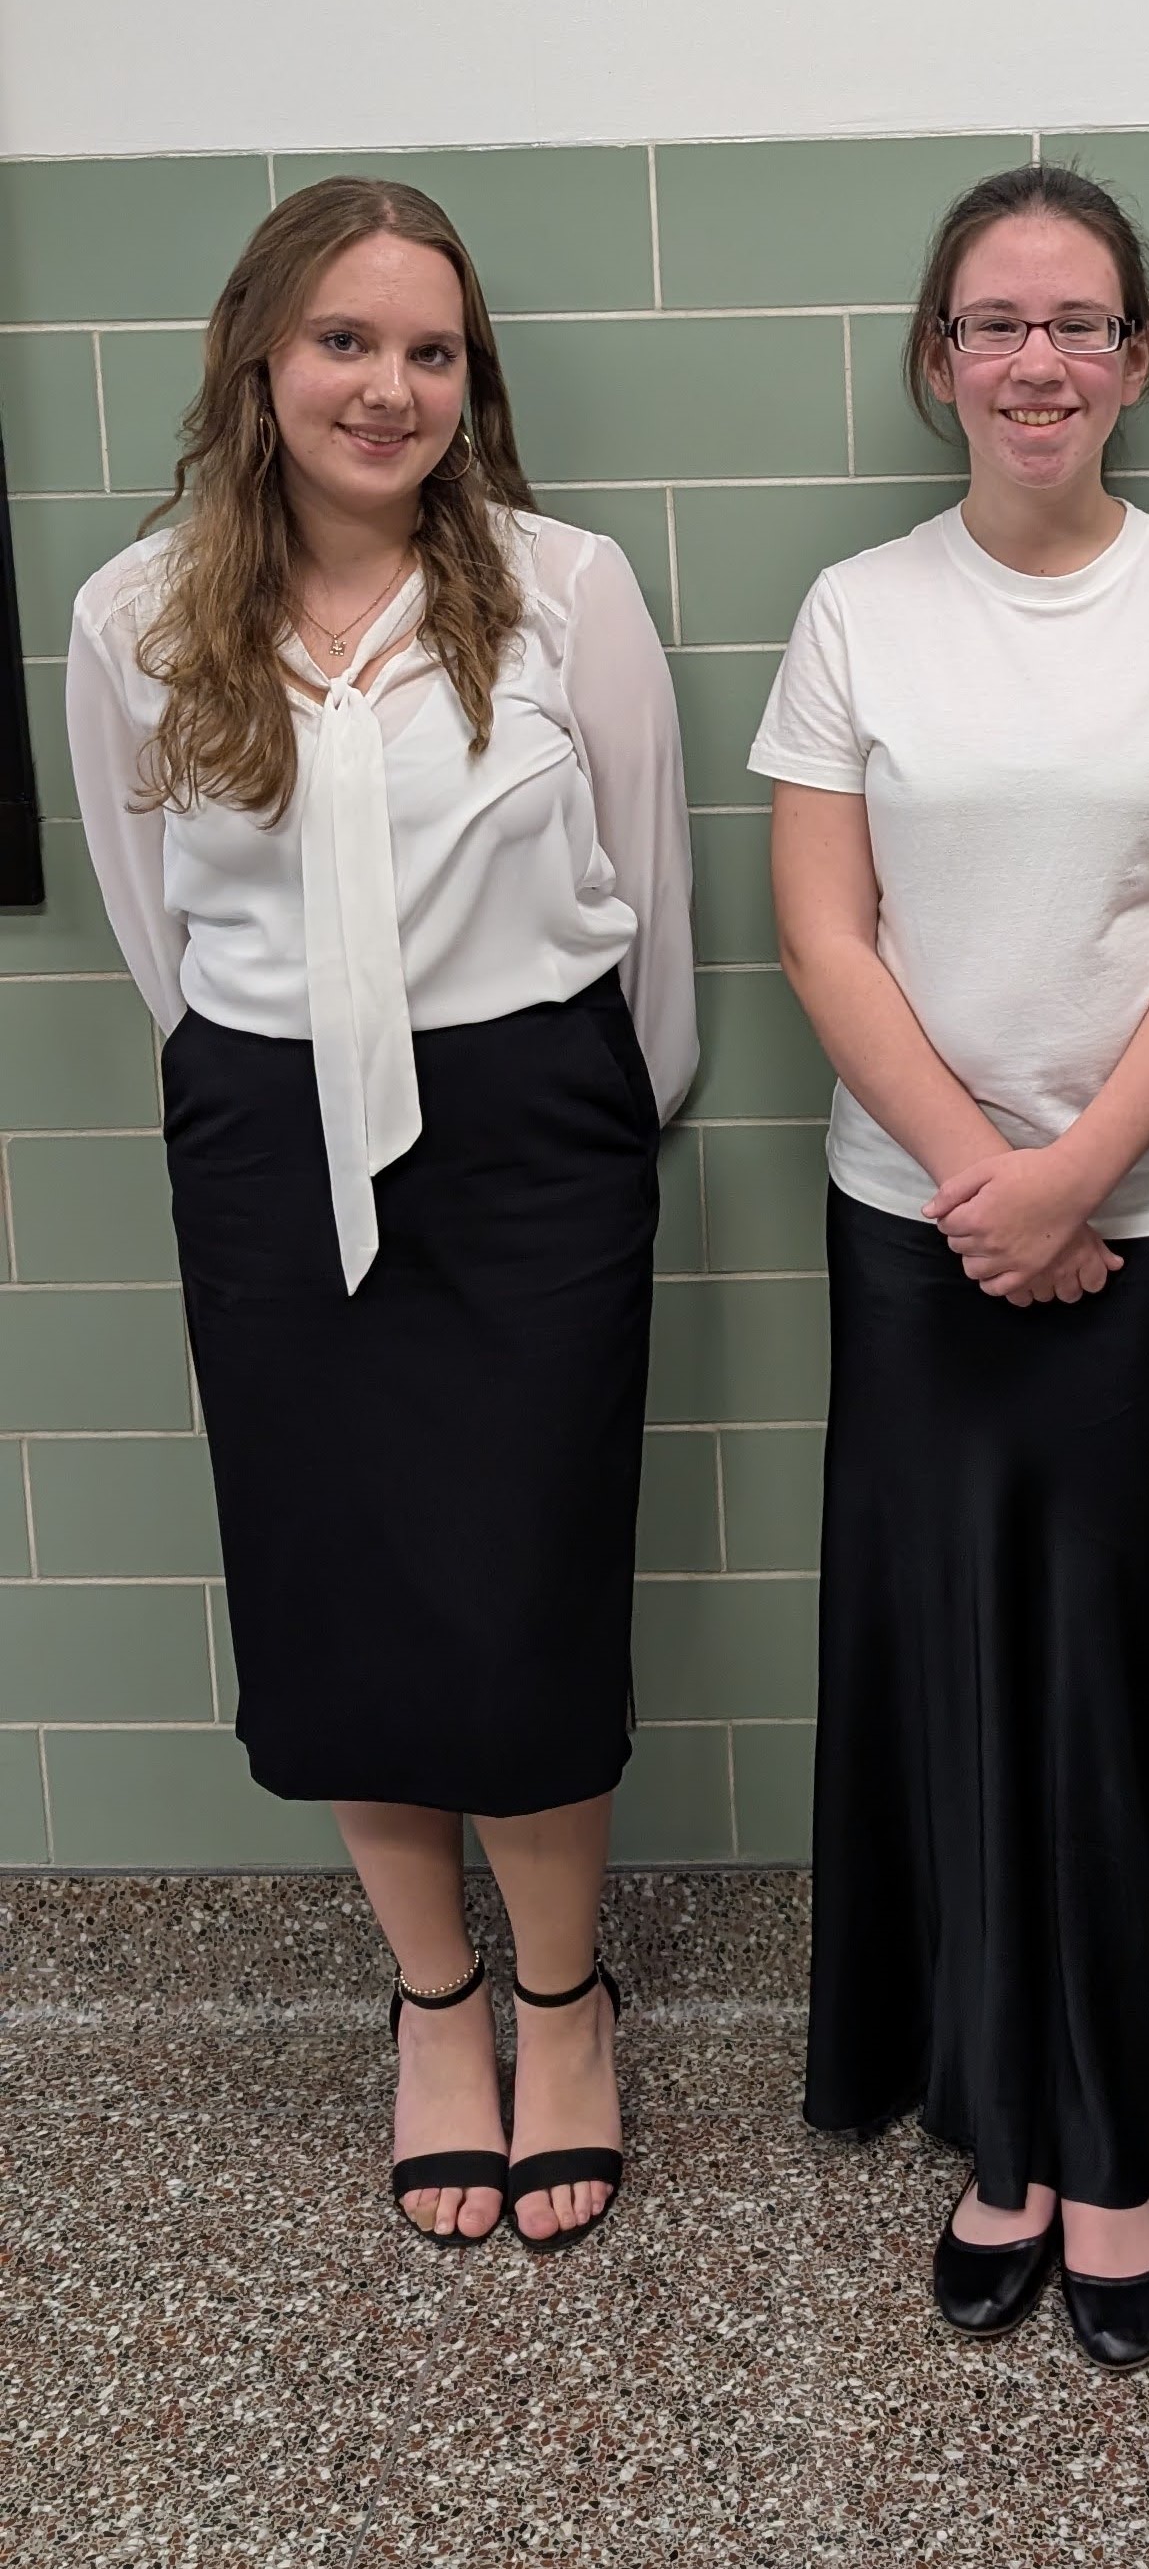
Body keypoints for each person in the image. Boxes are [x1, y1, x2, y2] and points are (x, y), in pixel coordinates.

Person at [66, 177, 697, 2255]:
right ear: (260, 359)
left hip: (528, 1137)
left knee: (523, 1588)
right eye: (347, 341)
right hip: (265, 1130)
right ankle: (434, 2009)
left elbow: (650, 916)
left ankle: (561, 1999)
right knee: (332, 1581)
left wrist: (588, 1122)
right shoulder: (137, 616)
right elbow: (163, 939)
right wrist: (275, 1092)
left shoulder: (564, 590)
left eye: (431, 352)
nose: (390, 387)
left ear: (470, 383)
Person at [757, 163, 1149, 2370]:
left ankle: (1114, 2140)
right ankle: (992, 2118)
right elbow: (825, 927)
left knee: (1118, 1661)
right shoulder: (855, 612)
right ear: (938, 361)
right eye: (994, 324)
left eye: (1079, 324)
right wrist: (973, 1179)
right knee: (956, 1659)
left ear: (1138, 363)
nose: (1036, 361)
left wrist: (1076, 1170)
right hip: (916, 1235)